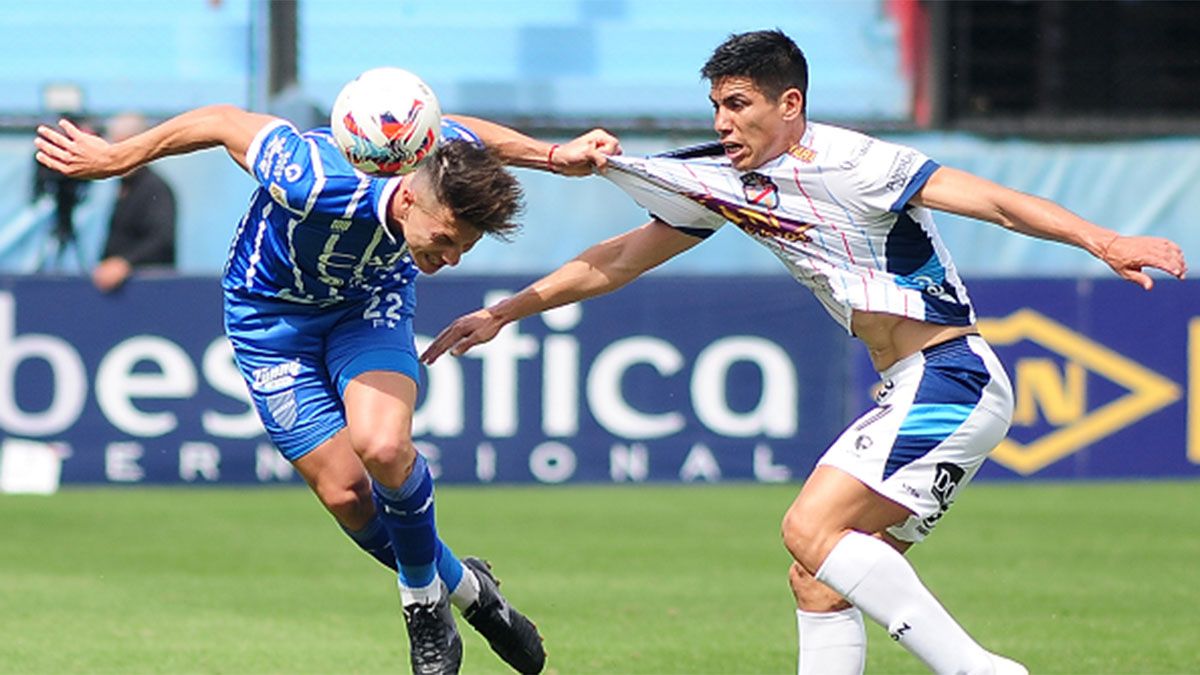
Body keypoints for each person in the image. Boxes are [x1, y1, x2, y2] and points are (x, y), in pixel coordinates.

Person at [420, 30, 1187, 675]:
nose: (723, 122)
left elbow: (992, 199)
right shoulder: (723, 180)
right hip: (915, 387)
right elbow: (618, 258)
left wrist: (1104, 239)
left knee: (808, 528)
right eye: (716, 105)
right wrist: (506, 312)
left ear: (791, 105)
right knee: (817, 575)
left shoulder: (855, 162)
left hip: (951, 374)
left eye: (739, 104)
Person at [34, 102, 618, 675]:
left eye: (465, 247)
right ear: (410, 197)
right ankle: (470, 592)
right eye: (445, 239)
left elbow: (472, 133)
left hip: (368, 306)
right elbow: (218, 121)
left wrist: (551, 154)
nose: (451, 259)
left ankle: (421, 604)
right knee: (347, 495)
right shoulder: (308, 176)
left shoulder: (429, 153)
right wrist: (119, 157)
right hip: (269, 323)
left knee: (384, 447)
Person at [92, 112, 177, 292]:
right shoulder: (123, 186)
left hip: (149, 289)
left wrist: (125, 263)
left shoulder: (155, 188)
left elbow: (162, 239)